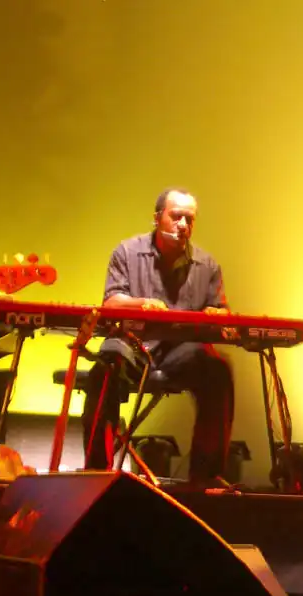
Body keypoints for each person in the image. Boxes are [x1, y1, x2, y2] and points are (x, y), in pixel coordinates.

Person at [81, 187, 234, 483]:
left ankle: (206, 479)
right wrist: (142, 304)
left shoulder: (207, 265)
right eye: (176, 217)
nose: (183, 225)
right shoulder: (127, 252)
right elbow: (111, 302)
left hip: (180, 351)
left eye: (189, 219)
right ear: (157, 218)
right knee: (106, 366)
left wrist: (218, 316)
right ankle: (97, 473)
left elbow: (221, 313)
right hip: (131, 345)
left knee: (217, 369)